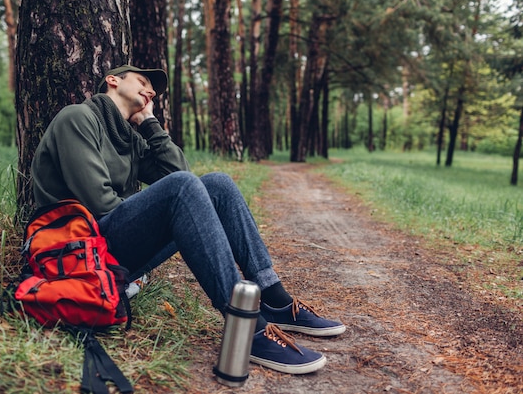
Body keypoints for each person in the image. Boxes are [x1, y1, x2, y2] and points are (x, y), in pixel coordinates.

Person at [30, 64, 346, 375]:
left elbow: (182, 176)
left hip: (108, 248)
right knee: (183, 189)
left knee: (218, 185)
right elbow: (100, 206)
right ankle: (246, 328)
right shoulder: (77, 117)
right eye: (142, 81)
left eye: (153, 90)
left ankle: (273, 298)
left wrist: (150, 122)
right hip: (78, 252)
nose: (150, 90)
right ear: (112, 80)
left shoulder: (129, 138)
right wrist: (157, 212)